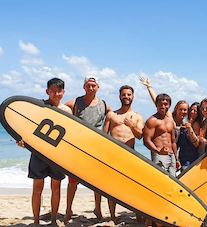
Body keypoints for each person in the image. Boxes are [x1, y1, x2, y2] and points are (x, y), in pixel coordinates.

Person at [16, 78, 71, 225]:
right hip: (39, 152)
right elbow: (26, 125)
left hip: (57, 155)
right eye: (52, 91)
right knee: (37, 188)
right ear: (47, 91)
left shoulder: (66, 111)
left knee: (56, 187)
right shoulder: (39, 106)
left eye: (59, 91)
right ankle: (36, 222)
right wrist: (21, 140)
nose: (56, 94)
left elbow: (70, 135)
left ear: (63, 92)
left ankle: (53, 220)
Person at [64, 75, 111, 223]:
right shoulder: (75, 103)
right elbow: (59, 114)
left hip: (96, 147)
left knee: (97, 182)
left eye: (93, 85)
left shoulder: (104, 104)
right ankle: (68, 209)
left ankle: (97, 209)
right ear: (84, 87)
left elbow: (114, 118)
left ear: (98, 87)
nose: (91, 88)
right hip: (78, 147)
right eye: (88, 85)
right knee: (72, 181)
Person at [103, 85, 144, 222]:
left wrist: (132, 125)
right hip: (114, 153)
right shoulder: (112, 115)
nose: (126, 97)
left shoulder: (137, 116)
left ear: (133, 97)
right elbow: (103, 135)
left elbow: (140, 136)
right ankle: (113, 216)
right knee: (112, 185)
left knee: (134, 185)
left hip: (130, 153)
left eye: (129, 94)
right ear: (120, 96)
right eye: (124, 94)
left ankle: (138, 214)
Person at [143, 94, 179, 177]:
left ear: (169, 105)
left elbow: (173, 141)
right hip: (159, 155)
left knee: (172, 180)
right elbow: (146, 140)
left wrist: (176, 159)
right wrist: (158, 151)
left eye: (166, 104)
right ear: (156, 105)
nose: (163, 106)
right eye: (160, 104)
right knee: (160, 179)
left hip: (171, 155)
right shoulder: (152, 120)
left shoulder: (170, 121)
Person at [172, 100, 200, 170]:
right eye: (191, 110)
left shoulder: (196, 125)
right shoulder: (184, 124)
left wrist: (189, 128)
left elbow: (196, 144)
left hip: (190, 161)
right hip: (181, 160)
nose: (192, 112)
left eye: (195, 111)